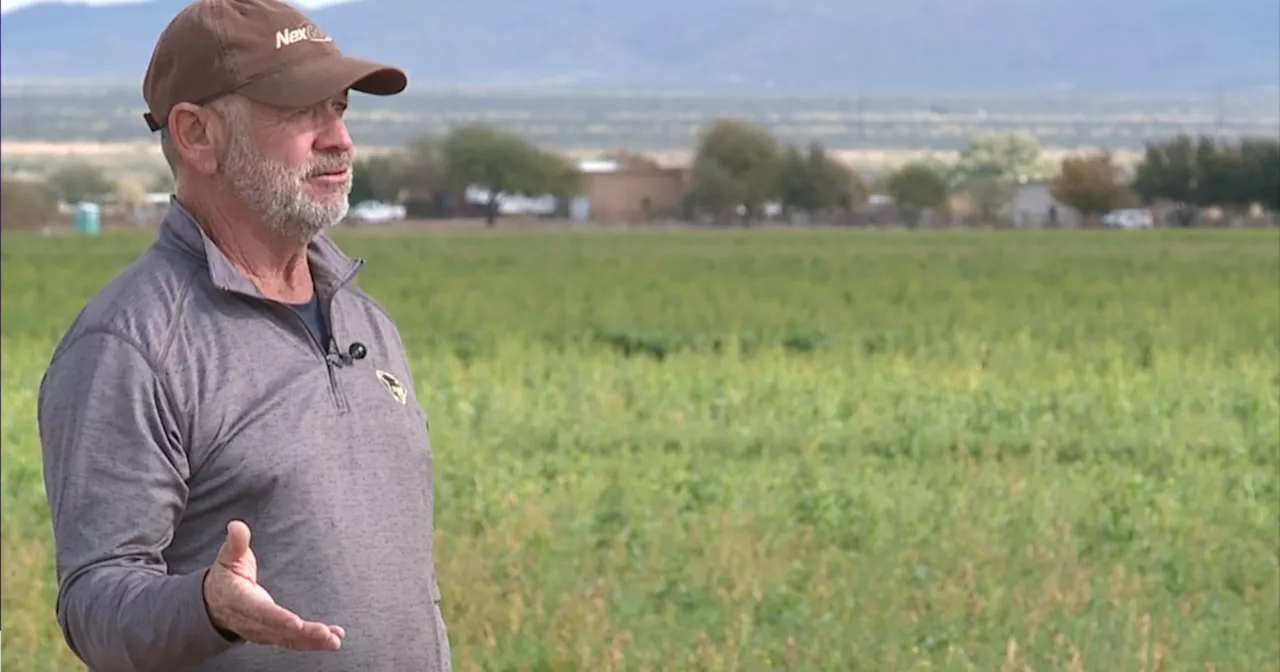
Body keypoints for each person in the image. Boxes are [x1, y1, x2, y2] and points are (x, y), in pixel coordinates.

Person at [36, 1, 451, 670]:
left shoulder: (365, 319)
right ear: (197, 135)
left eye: (339, 107)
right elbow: (93, 601)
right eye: (298, 110)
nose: (338, 139)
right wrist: (208, 608)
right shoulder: (131, 345)